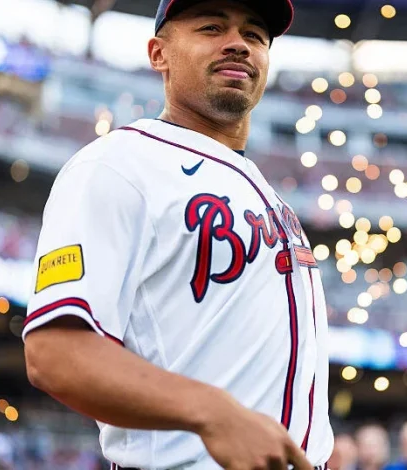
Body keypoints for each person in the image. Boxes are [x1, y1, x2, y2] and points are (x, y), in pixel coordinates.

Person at [21, 0, 334, 469]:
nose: (238, 45)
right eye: (211, 27)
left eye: (254, 35)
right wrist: (210, 412)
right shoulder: (117, 164)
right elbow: (54, 352)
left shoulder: (269, 194)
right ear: (158, 53)